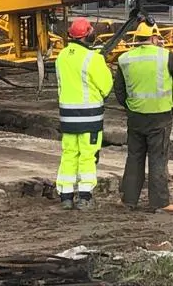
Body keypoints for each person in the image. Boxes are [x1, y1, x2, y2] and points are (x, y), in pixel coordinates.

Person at [114, 18, 173, 213]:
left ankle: (128, 200)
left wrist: (129, 107)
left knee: (134, 157)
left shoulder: (125, 58)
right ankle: (160, 202)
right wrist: (163, 48)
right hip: (159, 116)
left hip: (135, 116)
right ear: (154, 38)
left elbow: (119, 89)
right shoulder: (164, 56)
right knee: (158, 158)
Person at [55, 17, 113, 210]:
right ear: (87, 35)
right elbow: (106, 86)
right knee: (88, 155)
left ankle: (65, 196)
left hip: (67, 116)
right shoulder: (93, 58)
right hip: (89, 116)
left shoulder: (62, 56)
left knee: (69, 153)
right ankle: (85, 196)